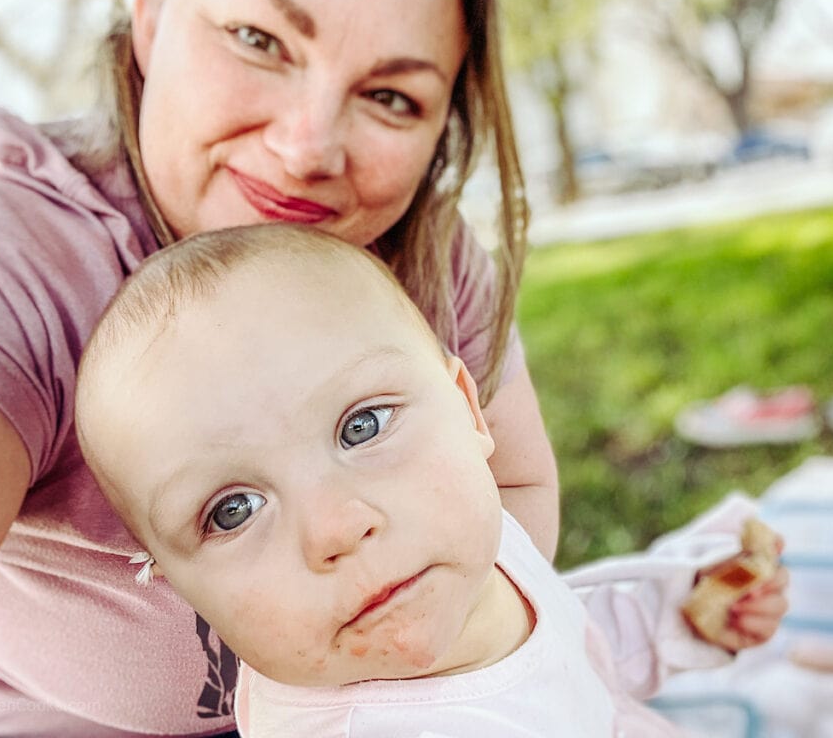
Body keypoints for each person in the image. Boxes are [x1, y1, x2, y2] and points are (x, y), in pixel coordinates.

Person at [0, 0, 559, 735]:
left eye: (392, 96)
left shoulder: (423, 254)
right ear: (150, 14)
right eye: (258, 41)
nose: (308, 148)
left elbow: (515, 487)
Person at [74, 224, 790, 738]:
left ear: (467, 408)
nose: (336, 528)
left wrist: (678, 622)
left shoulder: (478, 556)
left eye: (362, 427)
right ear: (174, 583)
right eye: (233, 510)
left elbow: (566, 657)